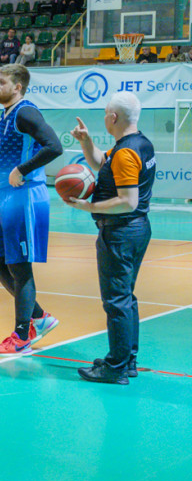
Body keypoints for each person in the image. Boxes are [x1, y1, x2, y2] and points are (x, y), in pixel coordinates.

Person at [67, 94, 155, 385]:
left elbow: (128, 201)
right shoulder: (137, 144)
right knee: (126, 298)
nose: (104, 117)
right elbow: (100, 163)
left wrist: (88, 206)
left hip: (121, 231)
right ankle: (127, 359)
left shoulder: (126, 153)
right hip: (135, 229)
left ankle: (115, 367)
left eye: (105, 113)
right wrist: (86, 141)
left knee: (116, 300)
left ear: (113, 117)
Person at [0, 64, 63, 356]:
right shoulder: (5, 114)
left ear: (17, 87)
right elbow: (5, 150)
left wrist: (22, 169)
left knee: (19, 266)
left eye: (1, 82)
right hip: (6, 196)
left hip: (25, 196)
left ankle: (22, 336)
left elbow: (54, 146)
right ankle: (39, 317)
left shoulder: (26, 112)